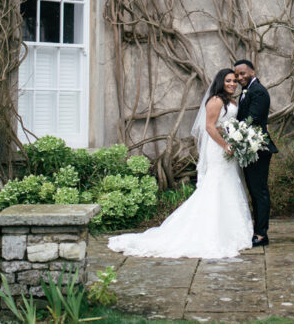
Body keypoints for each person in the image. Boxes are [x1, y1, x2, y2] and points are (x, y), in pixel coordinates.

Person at [107, 69, 253, 259]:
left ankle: (233, 230)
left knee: (230, 183)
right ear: (221, 82)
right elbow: (209, 127)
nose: (233, 84)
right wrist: (225, 144)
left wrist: (235, 137)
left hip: (229, 148)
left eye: (234, 81)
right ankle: (212, 231)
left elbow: (227, 125)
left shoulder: (233, 101)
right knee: (216, 185)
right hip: (218, 149)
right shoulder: (216, 101)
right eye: (228, 81)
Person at [233, 59, 279, 247]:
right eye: (237, 75)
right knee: (254, 190)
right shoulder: (247, 92)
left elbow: (252, 119)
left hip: (259, 150)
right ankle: (257, 230)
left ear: (252, 71)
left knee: (259, 191)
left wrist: (231, 130)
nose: (239, 77)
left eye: (242, 73)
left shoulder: (258, 91)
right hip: (250, 149)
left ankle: (261, 234)